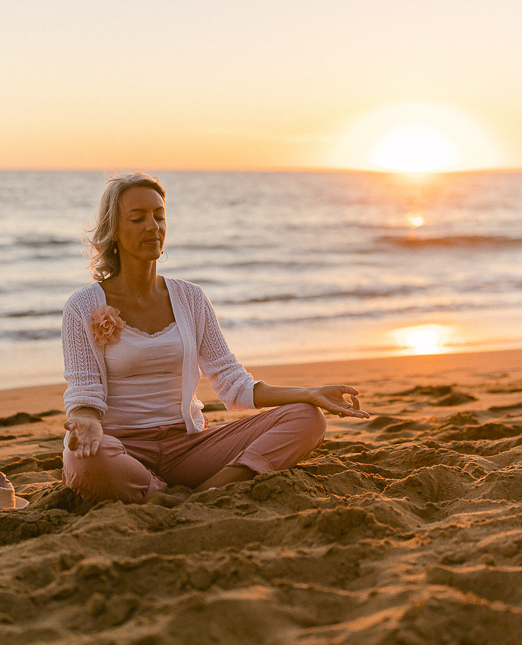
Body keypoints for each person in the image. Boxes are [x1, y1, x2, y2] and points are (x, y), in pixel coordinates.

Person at [60, 172, 369, 506]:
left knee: (307, 418)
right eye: (138, 218)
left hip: (188, 448)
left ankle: (210, 492)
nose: (153, 226)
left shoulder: (190, 298)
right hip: (123, 450)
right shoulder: (82, 306)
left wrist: (309, 394)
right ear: (114, 231)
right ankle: (162, 497)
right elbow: (85, 393)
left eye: (159, 216)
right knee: (82, 457)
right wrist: (86, 424)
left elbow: (233, 384)